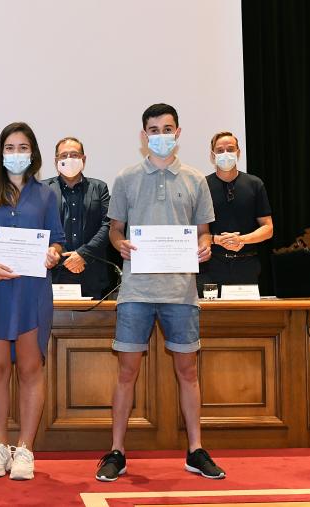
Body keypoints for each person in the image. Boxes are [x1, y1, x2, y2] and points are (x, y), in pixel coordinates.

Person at [96, 103, 225, 482]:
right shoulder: (126, 178)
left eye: (167, 128)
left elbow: (203, 232)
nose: (161, 135)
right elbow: (115, 230)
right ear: (143, 135)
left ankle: (195, 450)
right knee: (126, 373)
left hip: (181, 290)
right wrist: (119, 243)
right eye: (154, 129)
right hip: (136, 290)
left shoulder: (196, 180)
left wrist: (206, 245)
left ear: (179, 132)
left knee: (188, 371)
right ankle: (117, 450)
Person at [0, 122, 64, 480]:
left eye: (23, 148)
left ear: (33, 153)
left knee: (31, 370)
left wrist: (52, 252)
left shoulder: (48, 194)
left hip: (32, 291)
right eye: (10, 147)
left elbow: (57, 241)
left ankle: (25, 450)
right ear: (0, 152)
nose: (16, 154)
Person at [197, 132, 273, 290]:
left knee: (247, 314)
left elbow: (268, 228)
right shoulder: (202, 185)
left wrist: (242, 240)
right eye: (220, 150)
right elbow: (196, 230)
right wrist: (217, 240)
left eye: (230, 149)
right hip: (211, 267)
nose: (225, 154)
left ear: (238, 152)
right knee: (211, 315)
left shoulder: (254, 184)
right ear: (213, 155)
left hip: (247, 266)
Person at [43, 137, 112, 299]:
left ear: (84, 159)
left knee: (93, 324)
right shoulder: (43, 190)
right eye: (64, 155)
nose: (69, 159)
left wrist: (82, 254)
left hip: (92, 272)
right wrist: (62, 256)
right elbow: (37, 225)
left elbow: (108, 225)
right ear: (56, 161)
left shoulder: (99, 187)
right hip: (53, 272)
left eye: (74, 155)